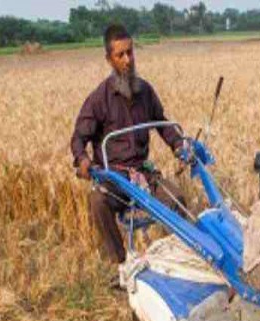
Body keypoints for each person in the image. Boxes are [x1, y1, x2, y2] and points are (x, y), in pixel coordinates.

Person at [71, 23, 185, 287]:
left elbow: (162, 124)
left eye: (130, 52)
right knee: (97, 201)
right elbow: (78, 138)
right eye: (120, 55)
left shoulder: (145, 91)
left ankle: (176, 262)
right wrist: (83, 160)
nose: (128, 60)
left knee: (177, 200)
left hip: (143, 175)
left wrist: (178, 145)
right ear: (109, 59)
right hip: (116, 180)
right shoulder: (99, 98)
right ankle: (122, 265)